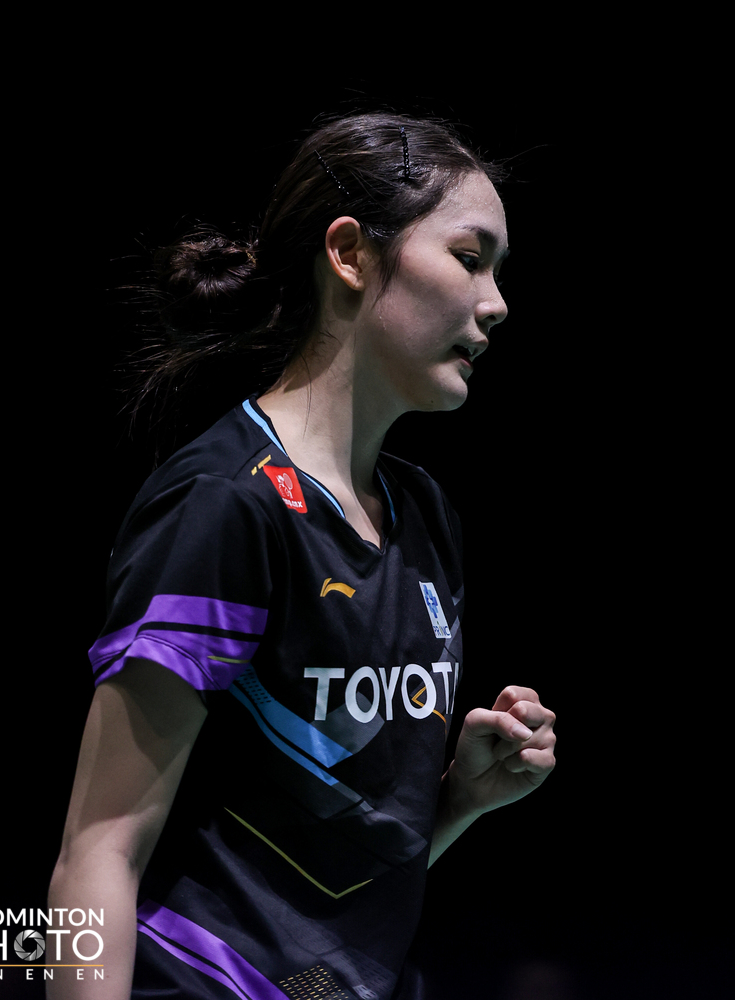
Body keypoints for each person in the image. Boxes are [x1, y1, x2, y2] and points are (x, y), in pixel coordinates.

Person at [48, 112, 556, 1000]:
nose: (496, 302)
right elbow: (98, 850)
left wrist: (459, 802)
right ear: (350, 254)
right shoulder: (226, 503)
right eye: (469, 257)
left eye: (499, 271)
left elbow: (329, 873)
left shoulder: (424, 517)